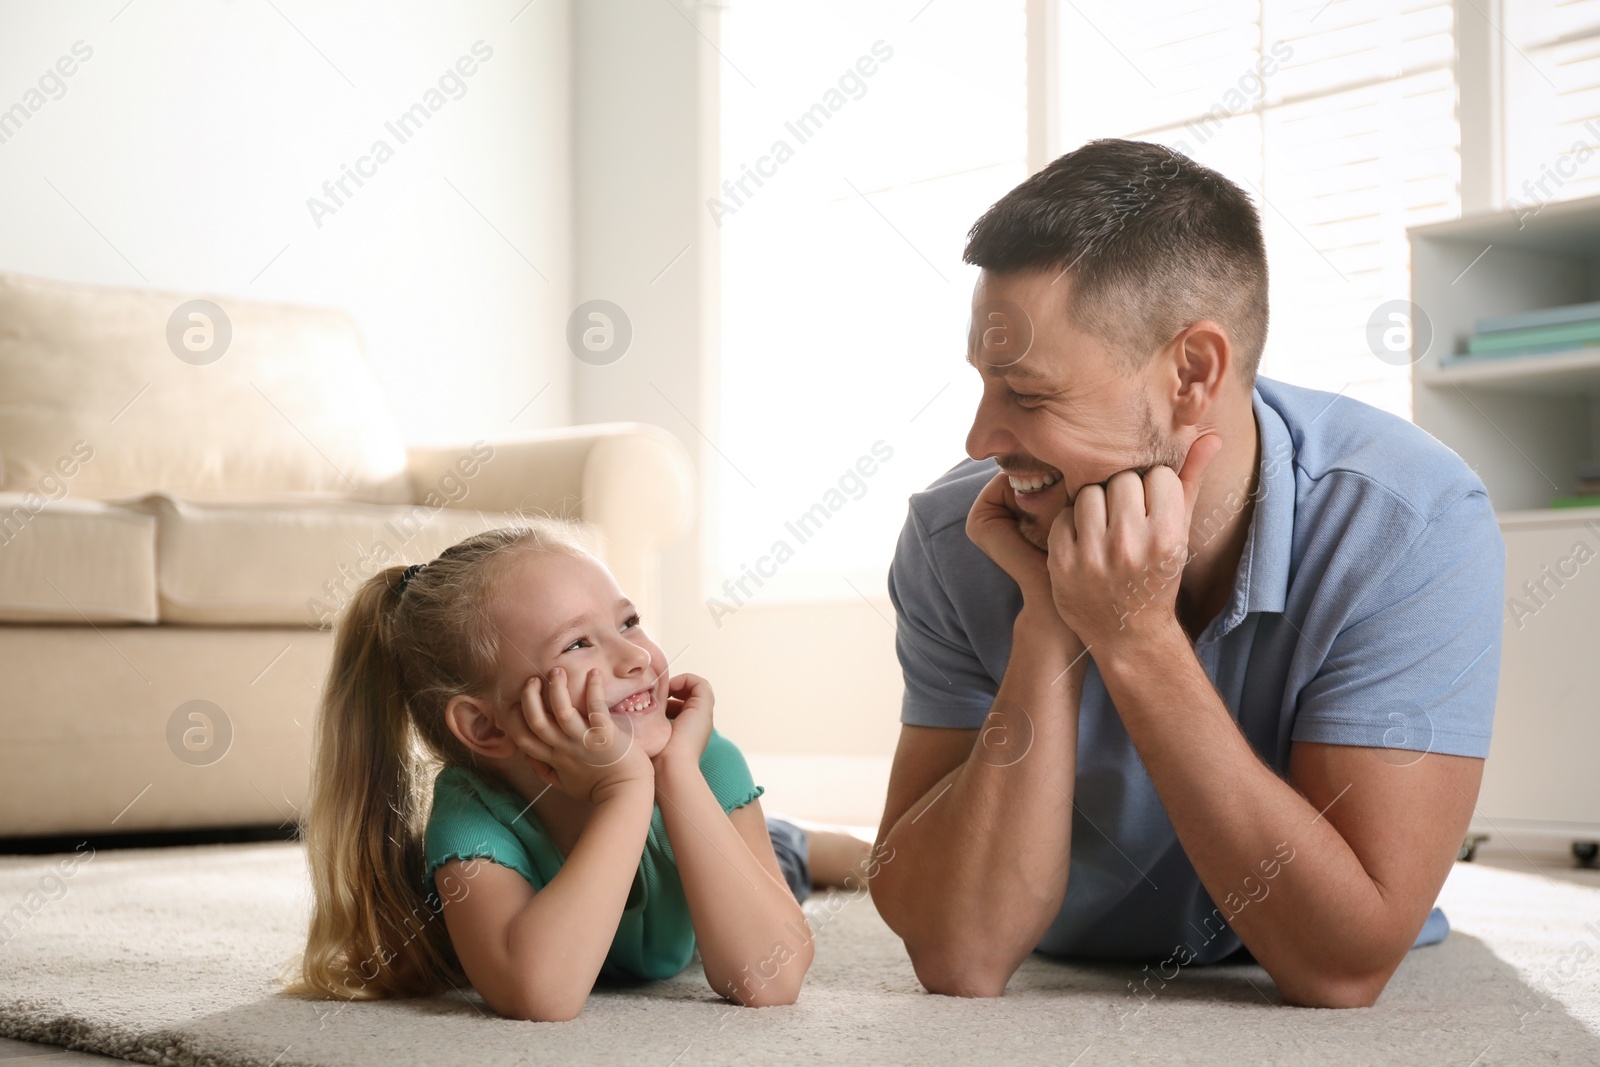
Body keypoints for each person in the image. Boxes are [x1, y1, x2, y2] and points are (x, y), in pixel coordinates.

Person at [867, 139, 1504, 1009]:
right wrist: (1049, 620)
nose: (981, 440)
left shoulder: (1410, 523)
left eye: (1029, 393)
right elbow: (958, 956)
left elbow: (1342, 962)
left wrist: (1134, 639)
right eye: (982, 385)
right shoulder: (958, 537)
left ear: (1192, 373)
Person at [285, 523, 866, 1021]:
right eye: (579, 643)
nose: (636, 656)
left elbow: (769, 980)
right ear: (486, 727)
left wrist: (678, 774)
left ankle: (824, 843)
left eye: (630, 620)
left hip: (704, 891)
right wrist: (626, 790)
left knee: (800, 855)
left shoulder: (704, 761)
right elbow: (540, 993)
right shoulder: (473, 815)